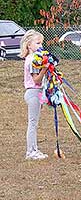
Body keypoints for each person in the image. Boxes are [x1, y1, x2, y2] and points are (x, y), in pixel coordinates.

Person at [20, 30, 49, 160]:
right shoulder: (32, 60)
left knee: (34, 122)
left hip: (37, 92)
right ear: (29, 45)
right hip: (33, 92)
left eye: (41, 43)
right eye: (37, 43)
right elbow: (36, 80)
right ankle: (31, 152)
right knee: (33, 123)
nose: (40, 46)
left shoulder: (35, 59)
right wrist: (44, 69)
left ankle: (34, 149)